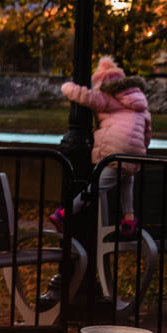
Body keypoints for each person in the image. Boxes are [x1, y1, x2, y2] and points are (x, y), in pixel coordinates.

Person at [51, 56, 151, 235]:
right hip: (134, 151)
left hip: (114, 150)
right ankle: (128, 220)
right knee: (128, 180)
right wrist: (141, 151)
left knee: (97, 187)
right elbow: (147, 133)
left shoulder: (107, 97)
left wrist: (66, 87)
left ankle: (64, 213)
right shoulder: (141, 103)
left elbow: (84, 96)